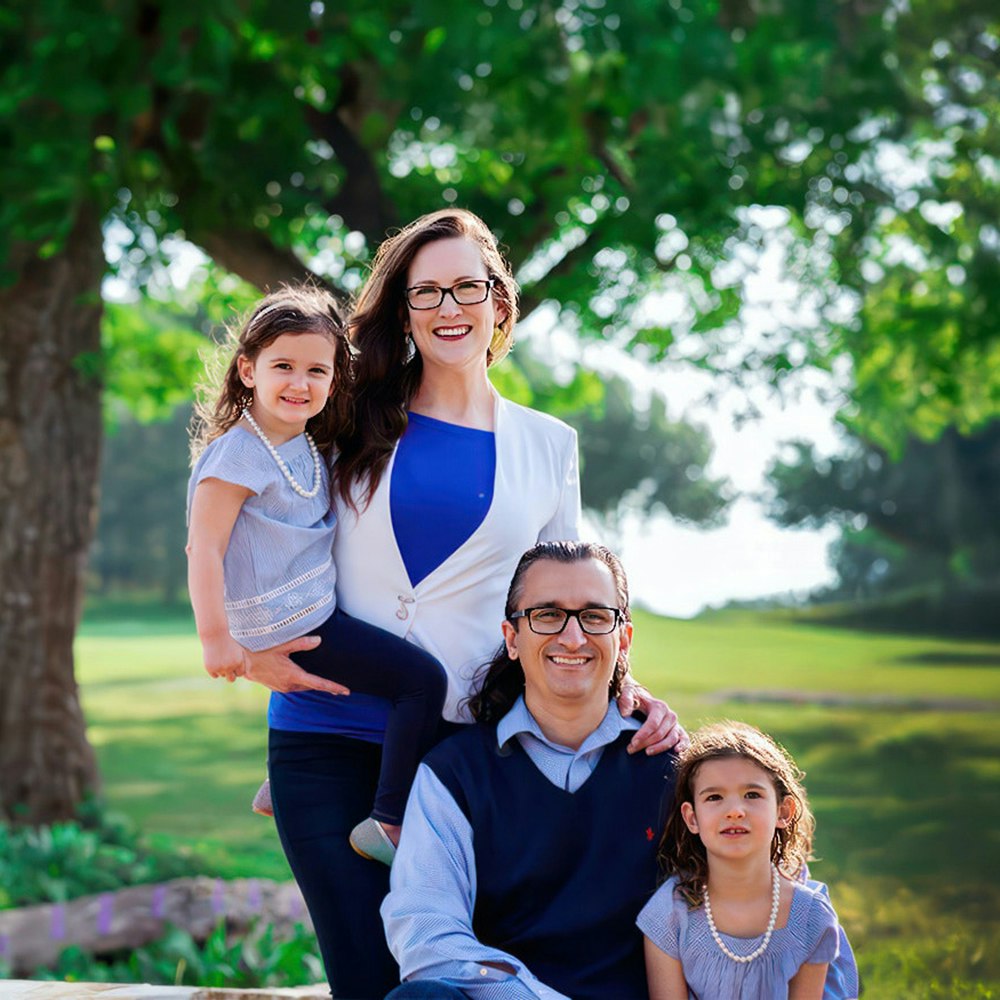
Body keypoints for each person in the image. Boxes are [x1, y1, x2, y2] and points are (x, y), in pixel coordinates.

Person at [241, 211, 685, 999]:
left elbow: (565, 593)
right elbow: (245, 505)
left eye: (468, 288)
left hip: (456, 756)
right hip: (324, 737)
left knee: (451, 972)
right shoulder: (344, 414)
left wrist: (626, 687)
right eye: (428, 292)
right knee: (369, 976)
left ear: (500, 302)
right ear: (404, 310)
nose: (450, 308)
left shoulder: (548, 445)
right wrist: (246, 642)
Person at [185, 284, 448, 868]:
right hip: (293, 622)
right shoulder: (237, 454)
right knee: (421, 682)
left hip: (312, 612)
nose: (299, 383)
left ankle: (282, 784)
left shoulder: (304, 444)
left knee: (373, 674)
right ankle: (390, 820)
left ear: (334, 380)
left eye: (316, 371)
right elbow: (203, 548)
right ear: (247, 369)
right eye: (283, 367)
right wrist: (216, 642)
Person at [382, 540, 680, 1000]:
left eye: (595, 616)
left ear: (622, 639)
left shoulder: (676, 769)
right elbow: (427, 938)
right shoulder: (455, 774)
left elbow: (772, 901)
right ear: (512, 638)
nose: (573, 637)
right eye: (547, 615)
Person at [639, 721, 860, 999]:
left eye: (752, 795)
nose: (734, 811)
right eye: (715, 797)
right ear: (692, 818)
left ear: (783, 811)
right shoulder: (669, 914)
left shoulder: (810, 916)